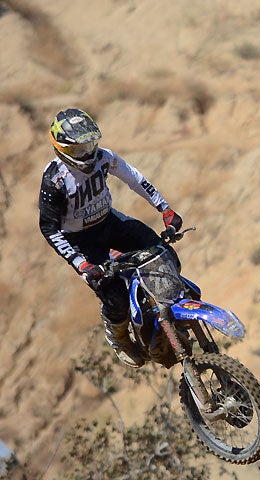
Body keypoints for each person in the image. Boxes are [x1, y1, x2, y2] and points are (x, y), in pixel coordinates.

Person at [38, 108, 183, 368]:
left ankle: (166, 315)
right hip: (82, 241)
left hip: (110, 222)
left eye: (90, 145)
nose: (87, 154)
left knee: (163, 253)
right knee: (114, 297)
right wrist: (81, 265)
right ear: (61, 149)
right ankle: (118, 337)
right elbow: (49, 228)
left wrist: (165, 209)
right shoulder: (55, 180)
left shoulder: (104, 158)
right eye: (78, 150)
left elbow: (136, 179)